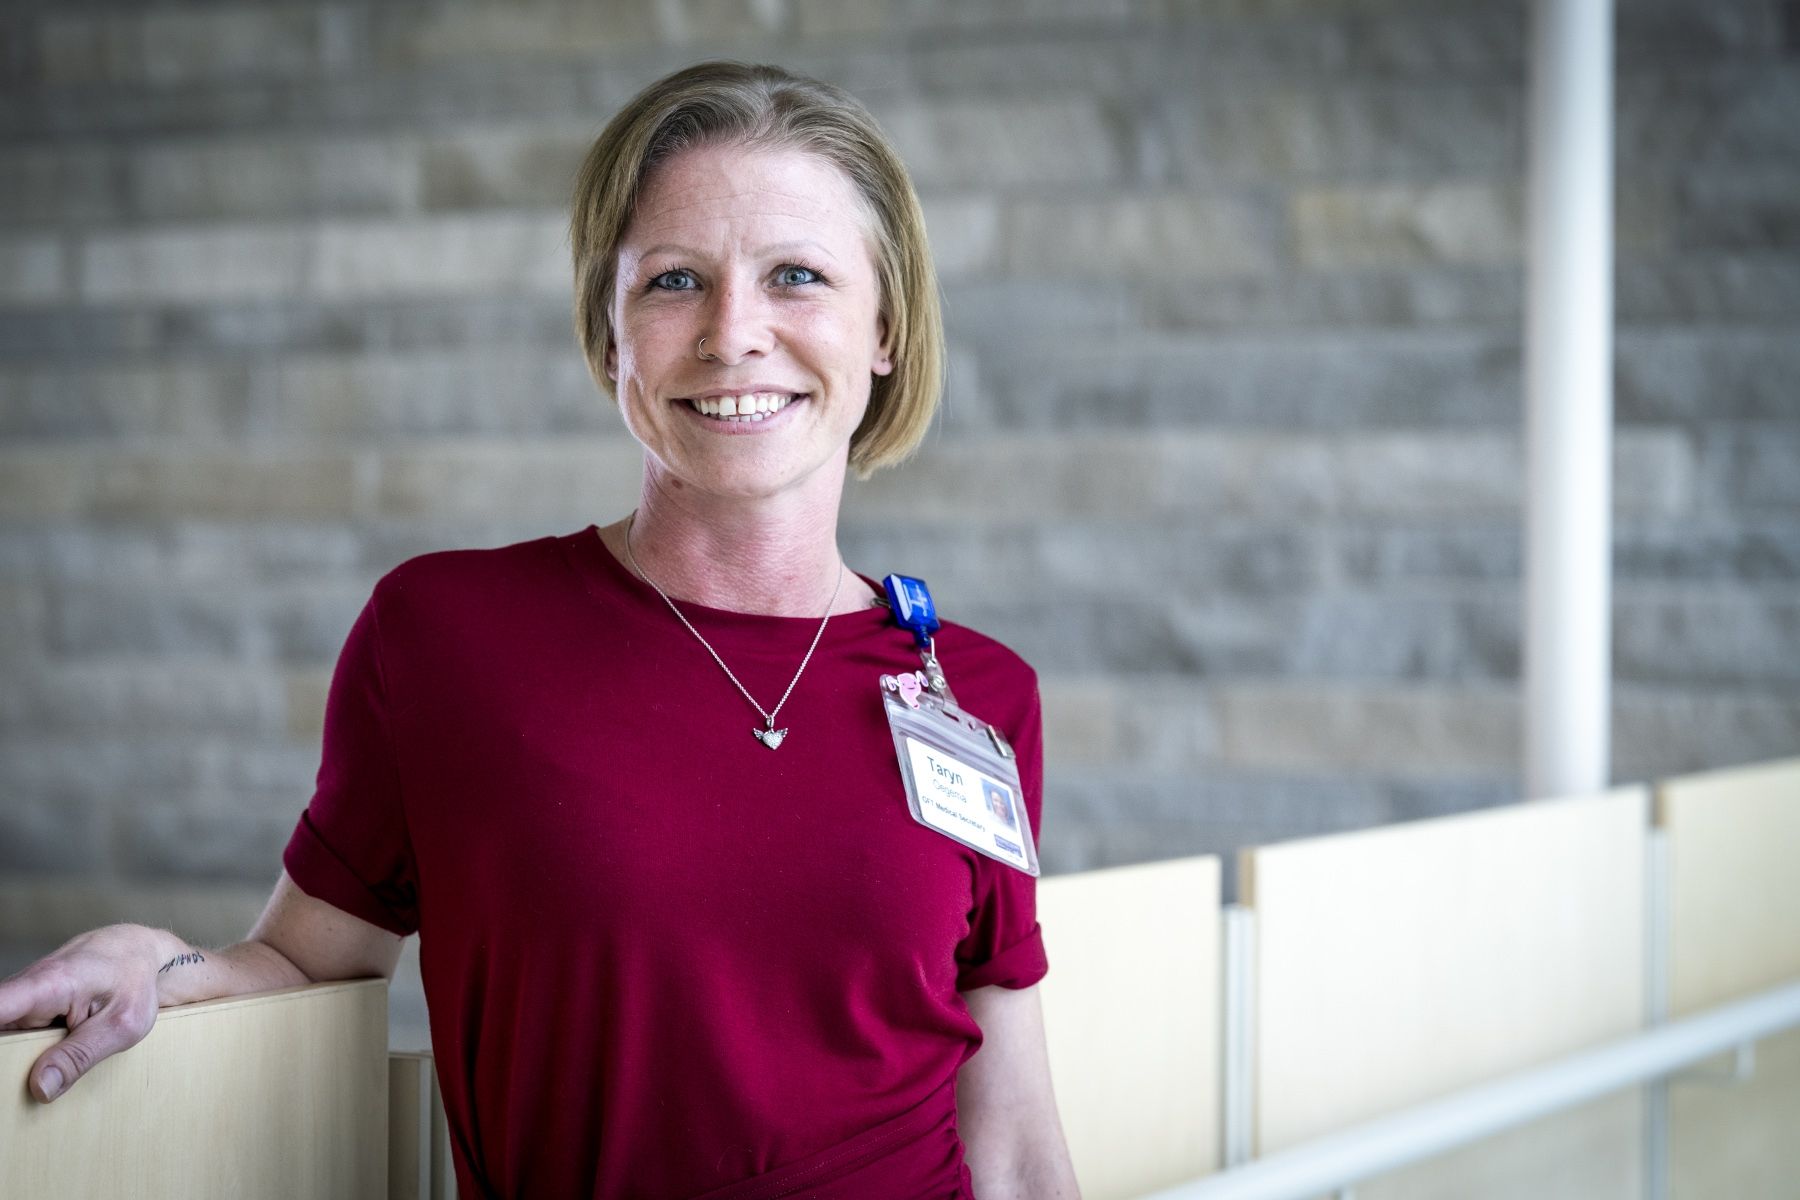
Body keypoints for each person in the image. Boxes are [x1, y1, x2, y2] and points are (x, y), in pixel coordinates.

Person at [0, 61, 1080, 1199]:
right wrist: (163, 968)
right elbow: (305, 961)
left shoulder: (973, 691)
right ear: (610, 333)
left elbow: (1008, 1133)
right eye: (674, 281)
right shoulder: (447, 637)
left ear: (886, 332)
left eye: (798, 276)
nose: (732, 333)